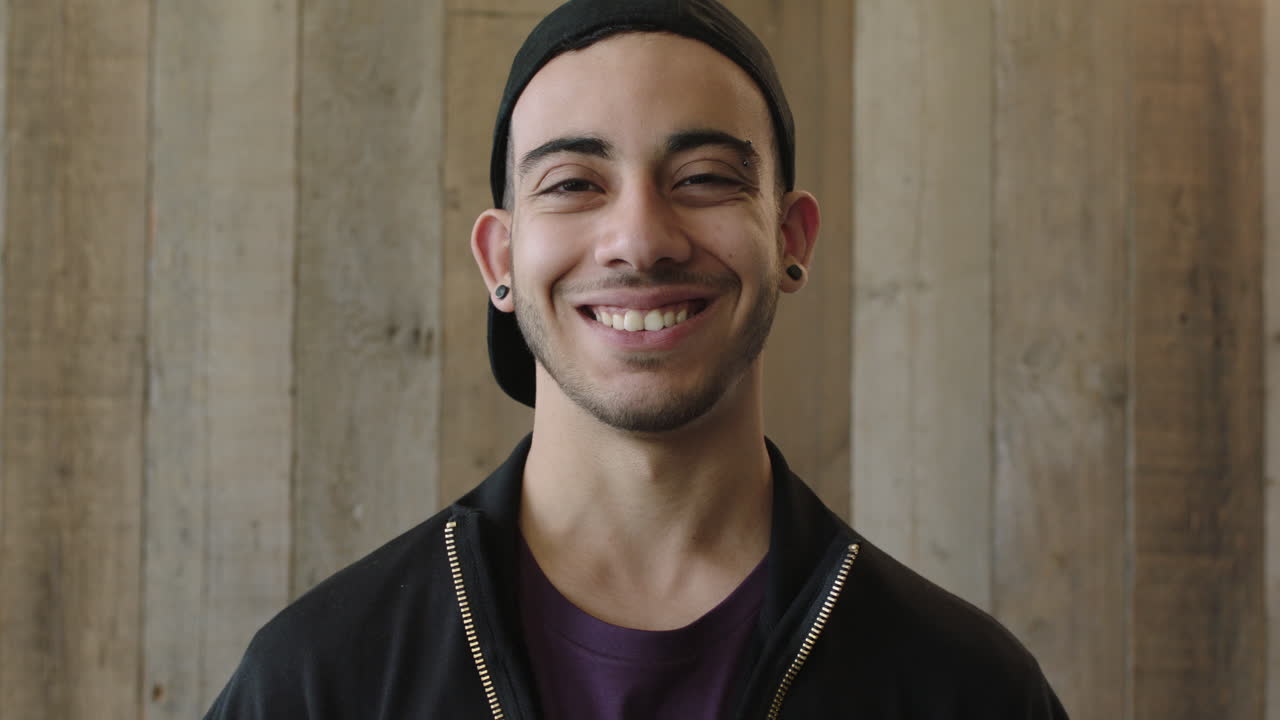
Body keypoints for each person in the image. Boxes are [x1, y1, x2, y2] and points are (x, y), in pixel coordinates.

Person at [205, 1, 1069, 717]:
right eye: (574, 183)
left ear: (791, 237)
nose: (641, 240)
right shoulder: (318, 684)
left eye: (701, 177)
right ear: (500, 262)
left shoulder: (970, 693)